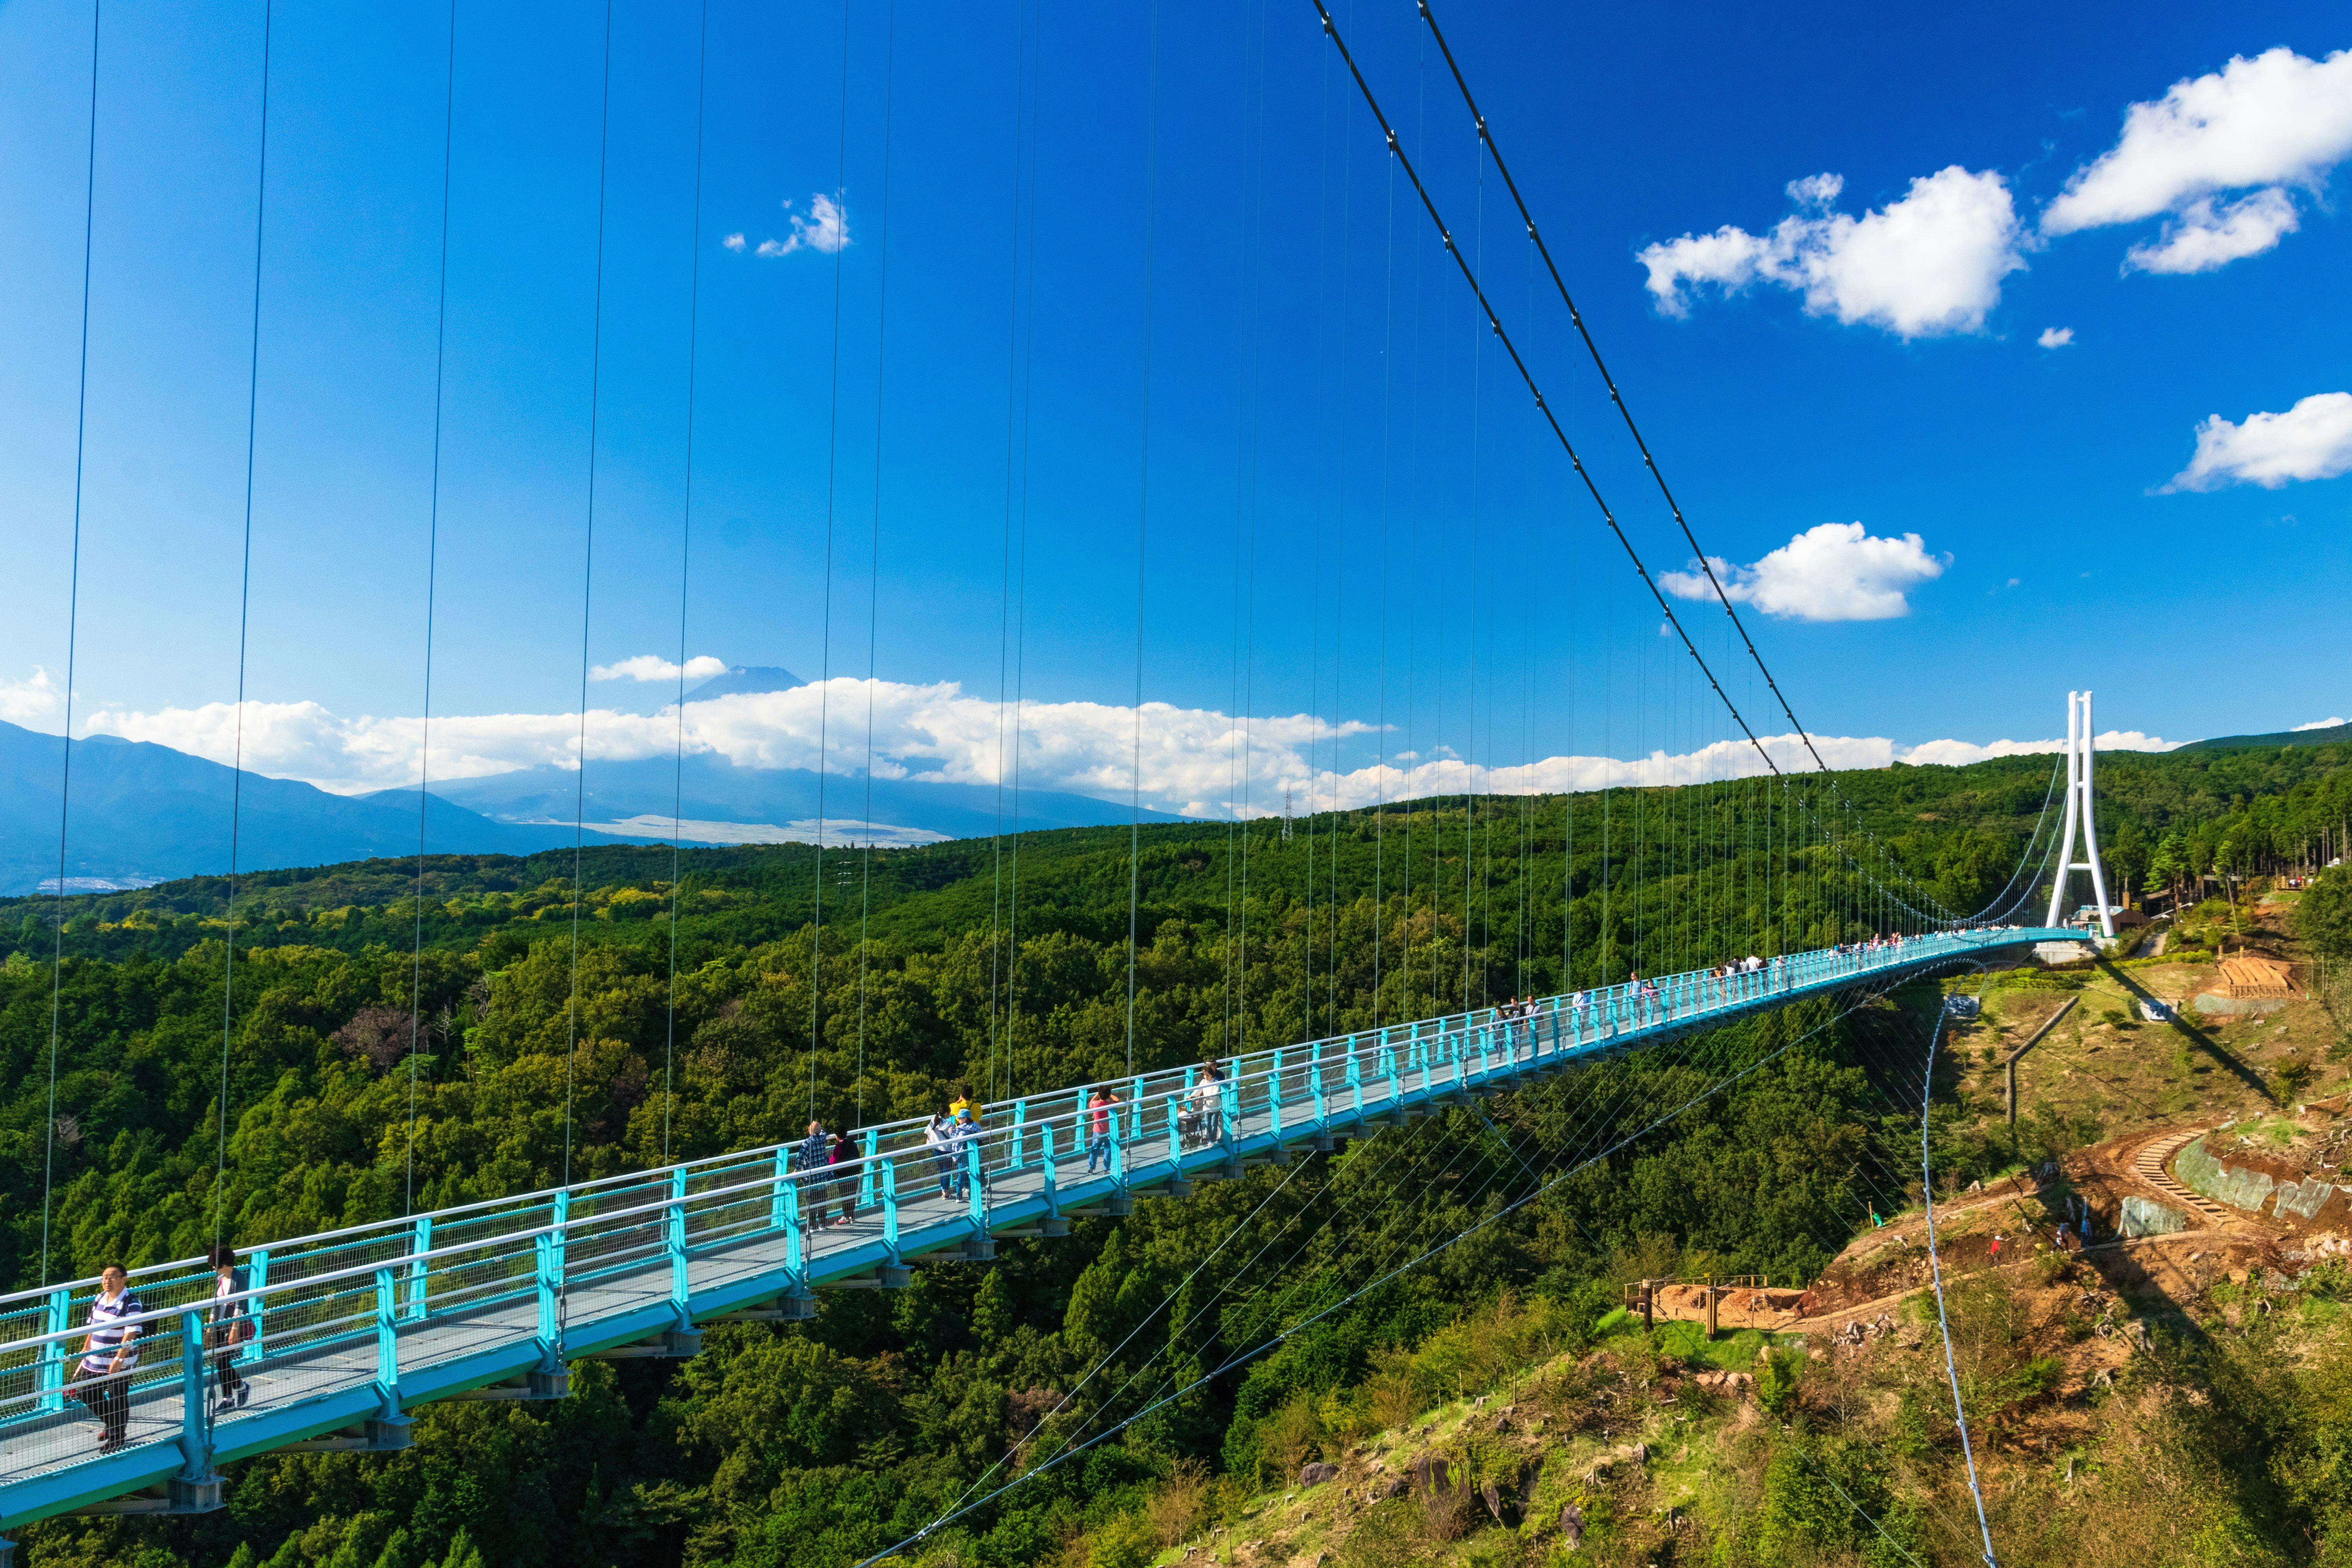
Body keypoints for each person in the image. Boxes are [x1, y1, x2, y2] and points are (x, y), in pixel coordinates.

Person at [76, 1263, 143, 1452]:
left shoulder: (132, 1302)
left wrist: (119, 1359)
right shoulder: (99, 1298)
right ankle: (113, 1425)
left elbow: (131, 1333)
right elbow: (92, 1325)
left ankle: (117, 1438)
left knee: (117, 1396)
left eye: (112, 1277)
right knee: (86, 1393)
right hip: (95, 1358)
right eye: (104, 1277)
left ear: (124, 1278)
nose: (107, 1281)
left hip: (119, 1360)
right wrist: (86, 1346)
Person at [207, 1245, 251, 1412]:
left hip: (234, 1325)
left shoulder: (239, 1278)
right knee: (221, 1363)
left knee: (222, 1361)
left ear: (225, 1264)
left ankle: (241, 1387)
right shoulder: (220, 1279)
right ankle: (229, 1399)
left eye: (215, 1264)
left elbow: (241, 1304)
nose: (213, 1268)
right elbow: (215, 1305)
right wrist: (210, 1327)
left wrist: (235, 1328)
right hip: (220, 1324)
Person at [793, 1120, 829, 1230]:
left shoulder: (807, 1142)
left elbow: (800, 1156)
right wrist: (817, 1127)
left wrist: (796, 1170)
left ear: (809, 1131)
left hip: (810, 1179)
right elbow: (823, 1131)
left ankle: (812, 1225)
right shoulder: (822, 1138)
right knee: (822, 1201)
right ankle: (822, 1224)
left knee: (811, 1202)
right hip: (822, 1177)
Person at [924, 1106, 959, 1200]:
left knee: (942, 1172)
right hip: (947, 1150)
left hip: (936, 1150)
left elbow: (928, 1133)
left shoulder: (933, 1120)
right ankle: (946, 1193)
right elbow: (953, 1136)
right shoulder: (949, 1124)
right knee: (947, 1172)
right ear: (946, 1114)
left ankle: (944, 1191)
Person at [828, 1128, 860, 1226]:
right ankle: (852, 1217)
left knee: (845, 1196)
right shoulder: (853, 1144)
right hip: (854, 1173)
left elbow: (832, 1162)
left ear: (837, 1136)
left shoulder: (839, 1147)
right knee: (852, 1195)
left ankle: (846, 1217)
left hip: (843, 1175)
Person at [1085, 1086, 1116, 1174]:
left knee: (1095, 1149)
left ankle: (1091, 1168)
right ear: (1108, 1095)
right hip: (1107, 1131)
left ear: (1100, 1094)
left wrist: (1097, 1095)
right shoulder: (1110, 1104)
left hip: (1097, 1131)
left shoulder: (1095, 1104)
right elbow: (1117, 1100)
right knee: (1108, 1150)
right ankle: (1106, 1169)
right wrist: (1110, 1095)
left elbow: (1090, 1103)